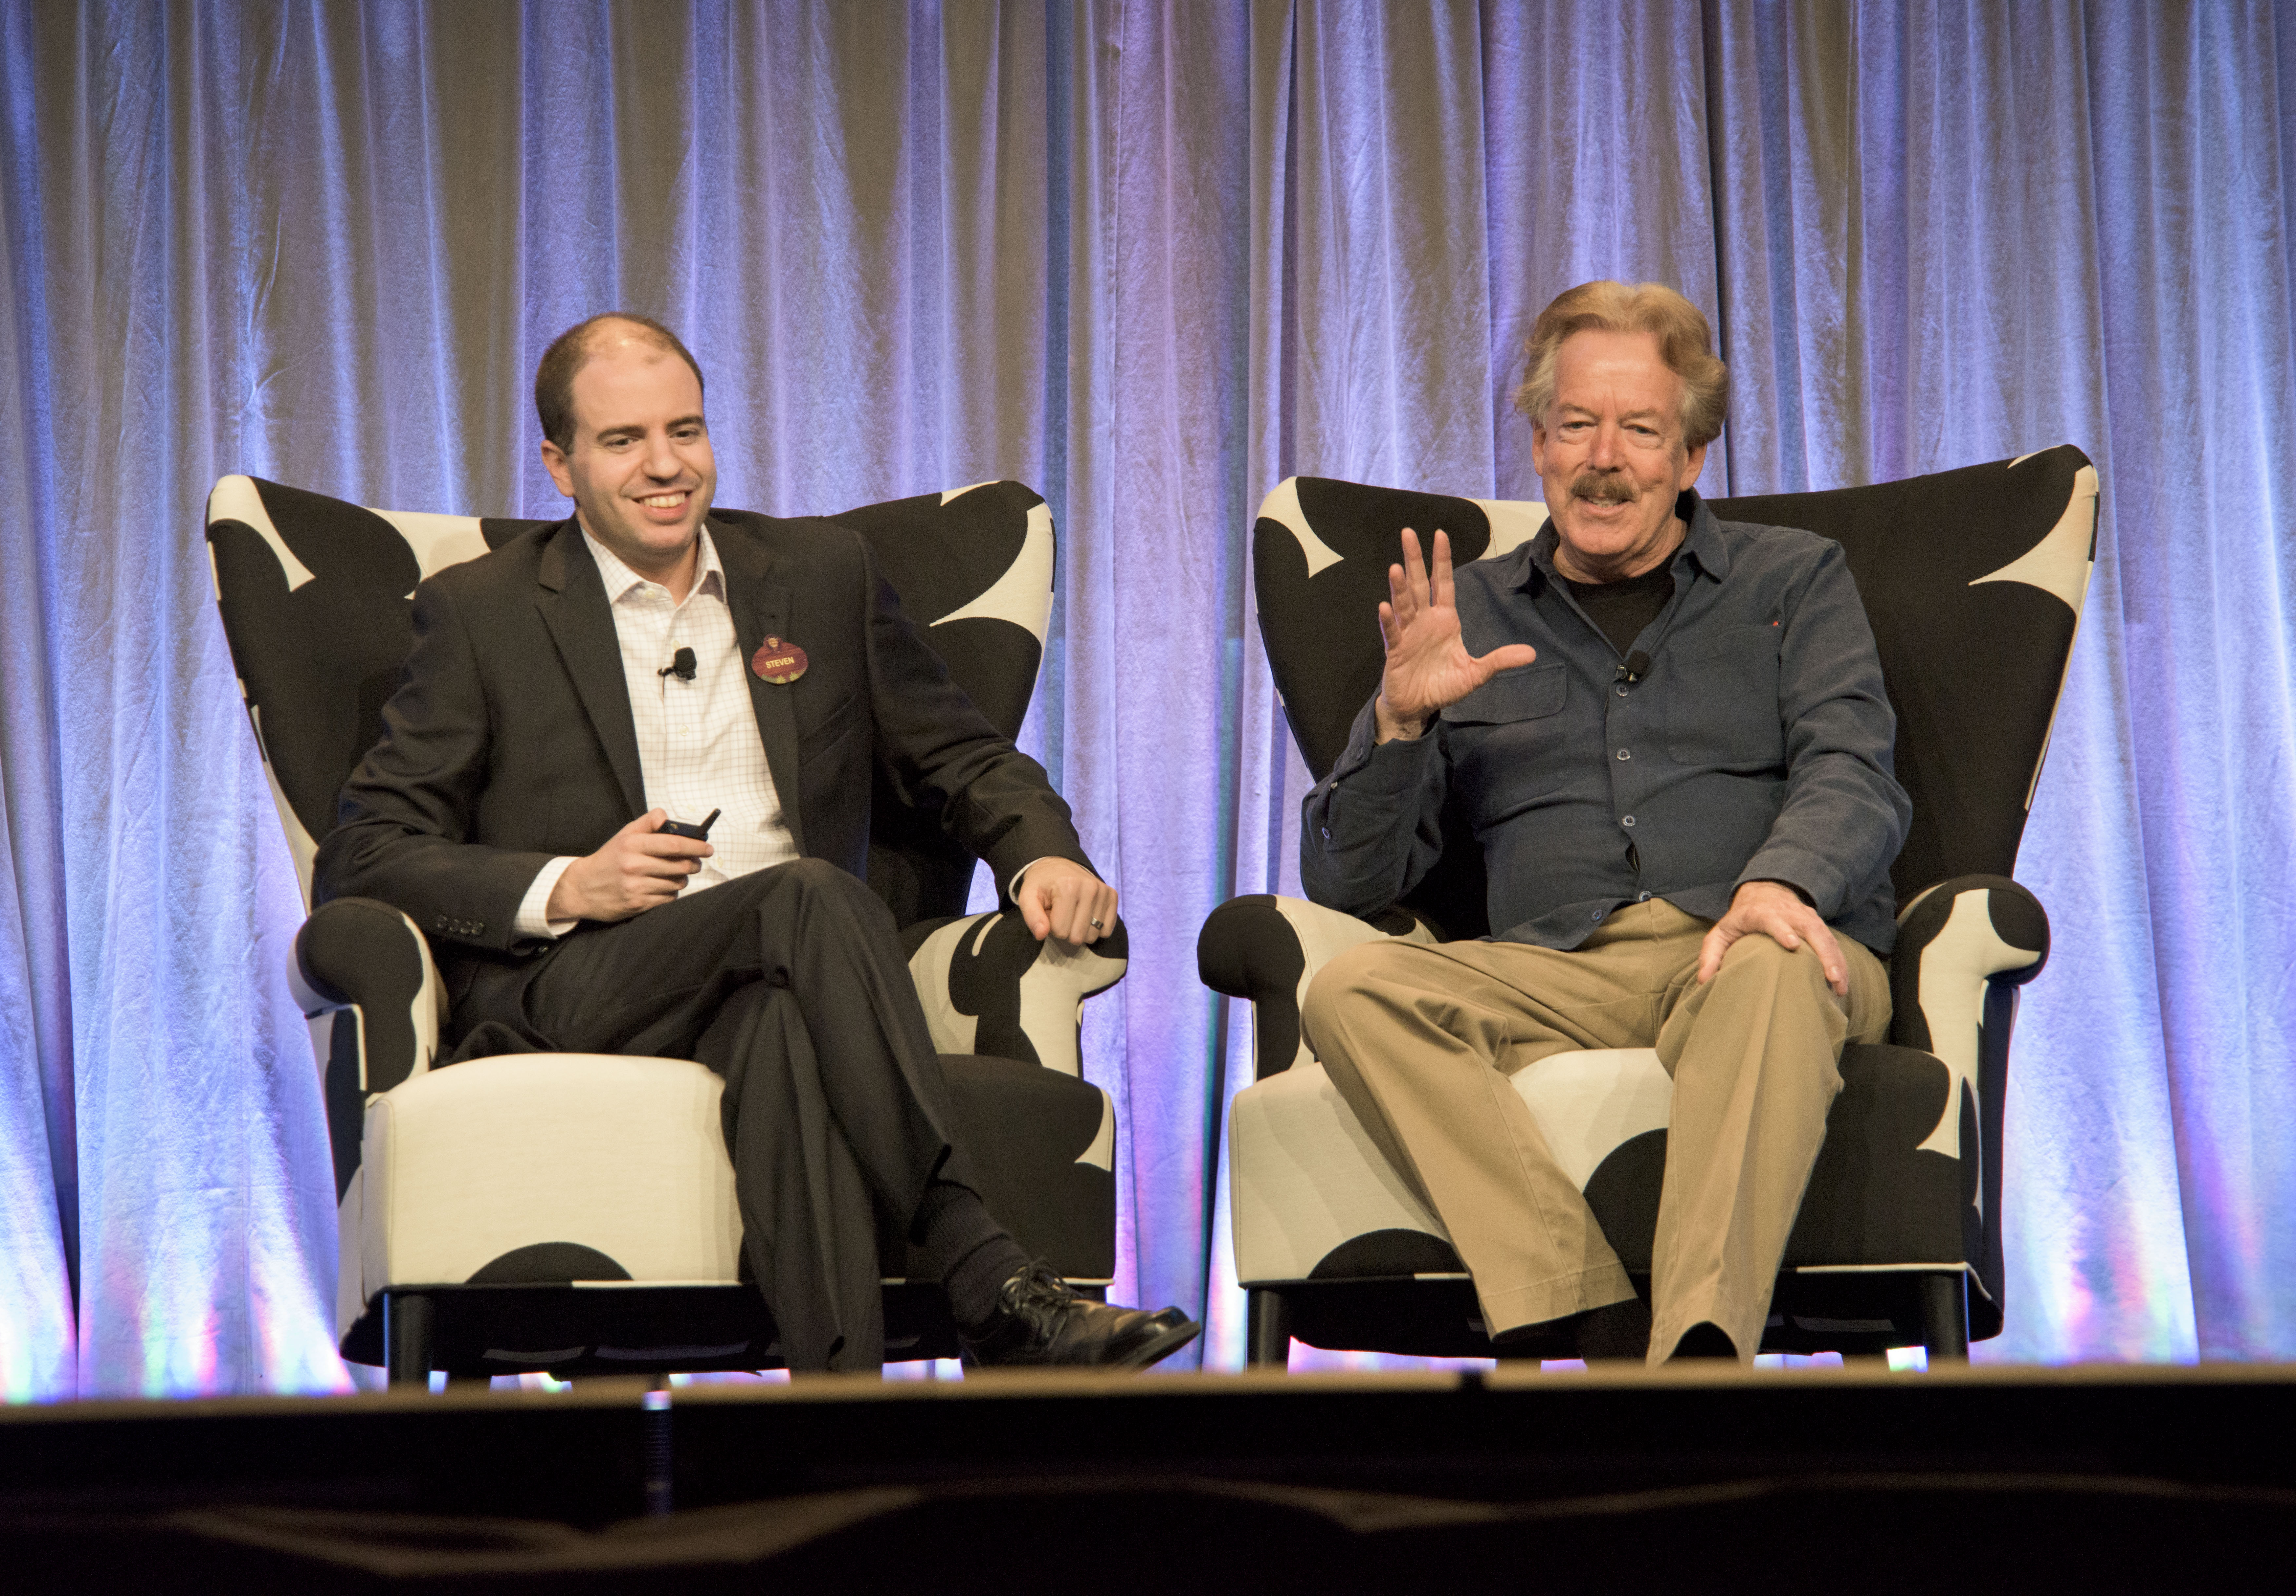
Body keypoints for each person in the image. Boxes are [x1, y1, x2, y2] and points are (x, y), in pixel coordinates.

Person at [316, 312, 1198, 1374]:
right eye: (623, 440)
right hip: (585, 976)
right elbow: (363, 849)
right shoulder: (482, 612)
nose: (664, 466)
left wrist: (1042, 853)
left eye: (684, 431)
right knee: (812, 896)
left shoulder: (820, 575)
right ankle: (984, 1270)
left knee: (785, 1026)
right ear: (560, 465)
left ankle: (836, 1439)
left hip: (794, 978)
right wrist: (567, 884)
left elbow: (964, 757)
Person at [1299, 280, 1909, 1366]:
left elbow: (1855, 771)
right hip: (1554, 970)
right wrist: (1397, 724)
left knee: (1772, 964)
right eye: (1577, 425)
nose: (1604, 458)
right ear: (1538, 444)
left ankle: (1698, 1354)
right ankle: (1583, 1310)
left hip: (1751, 945)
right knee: (1349, 987)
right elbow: (1352, 884)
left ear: (1691, 459)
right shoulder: (1467, 614)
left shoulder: (1794, 579)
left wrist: (1781, 887)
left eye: (1640, 430)